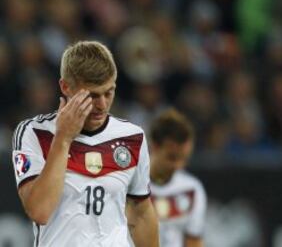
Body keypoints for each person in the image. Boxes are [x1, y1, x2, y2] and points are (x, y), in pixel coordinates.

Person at [11, 41, 159, 247]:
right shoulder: (34, 133)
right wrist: (63, 138)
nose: (102, 105)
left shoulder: (132, 137)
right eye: (92, 95)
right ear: (65, 87)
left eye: (109, 92)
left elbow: (140, 212)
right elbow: (39, 211)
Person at [148, 109, 207, 247]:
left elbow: (194, 241)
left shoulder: (191, 189)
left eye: (184, 158)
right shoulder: (129, 183)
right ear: (155, 147)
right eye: (172, 157)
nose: (178, 165)